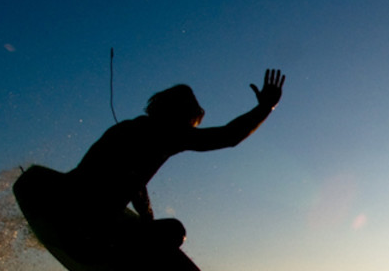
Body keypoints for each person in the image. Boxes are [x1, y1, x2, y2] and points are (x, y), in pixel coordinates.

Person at [65, 68, 285, 250]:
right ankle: (120, 254)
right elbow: (228, 136)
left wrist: (146, 219)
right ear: (183, 116)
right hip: (92, 223)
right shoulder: (170, 134)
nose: (190, 130)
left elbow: (131, 179)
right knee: (174, 231)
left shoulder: (128, 127)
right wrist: (265, 107)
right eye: (191, 123)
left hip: (71, 198)